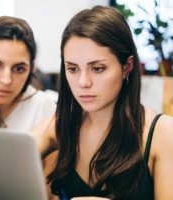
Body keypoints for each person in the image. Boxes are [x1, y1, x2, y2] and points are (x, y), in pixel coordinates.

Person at [33, 6, 173, 200]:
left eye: (97, 68)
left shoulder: (163, 134)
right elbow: (8, 158)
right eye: (72, 69)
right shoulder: (62, 123)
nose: (83, 82)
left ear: (127, 67)